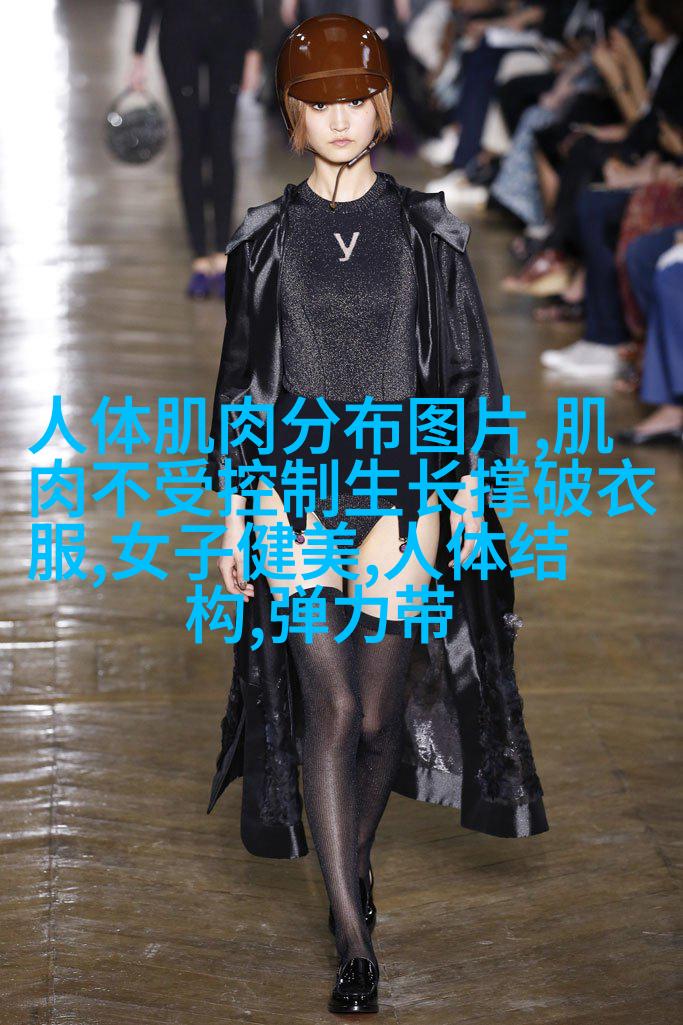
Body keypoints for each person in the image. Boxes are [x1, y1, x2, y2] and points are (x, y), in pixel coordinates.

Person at [204, 13, 548, 1016]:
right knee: (334, 710)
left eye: (357, 98)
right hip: (296, 495)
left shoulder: (427, 231)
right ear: (292, 116)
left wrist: (440, 509)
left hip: (404, 496)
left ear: (383, 106)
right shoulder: (263, 239)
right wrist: (237, 516)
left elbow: (465, 377)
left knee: (384, 713)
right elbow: (241, 388)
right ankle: (352, 935)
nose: (341, 117)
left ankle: (349, 865)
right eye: (319, 103)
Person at [129, 0, 262, 298]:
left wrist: (253, 51)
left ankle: (223, 253)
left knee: (221, 142)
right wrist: (138, 53)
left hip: (229, 32)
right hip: (179, 31)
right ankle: (200, 256)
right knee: (190, 143)